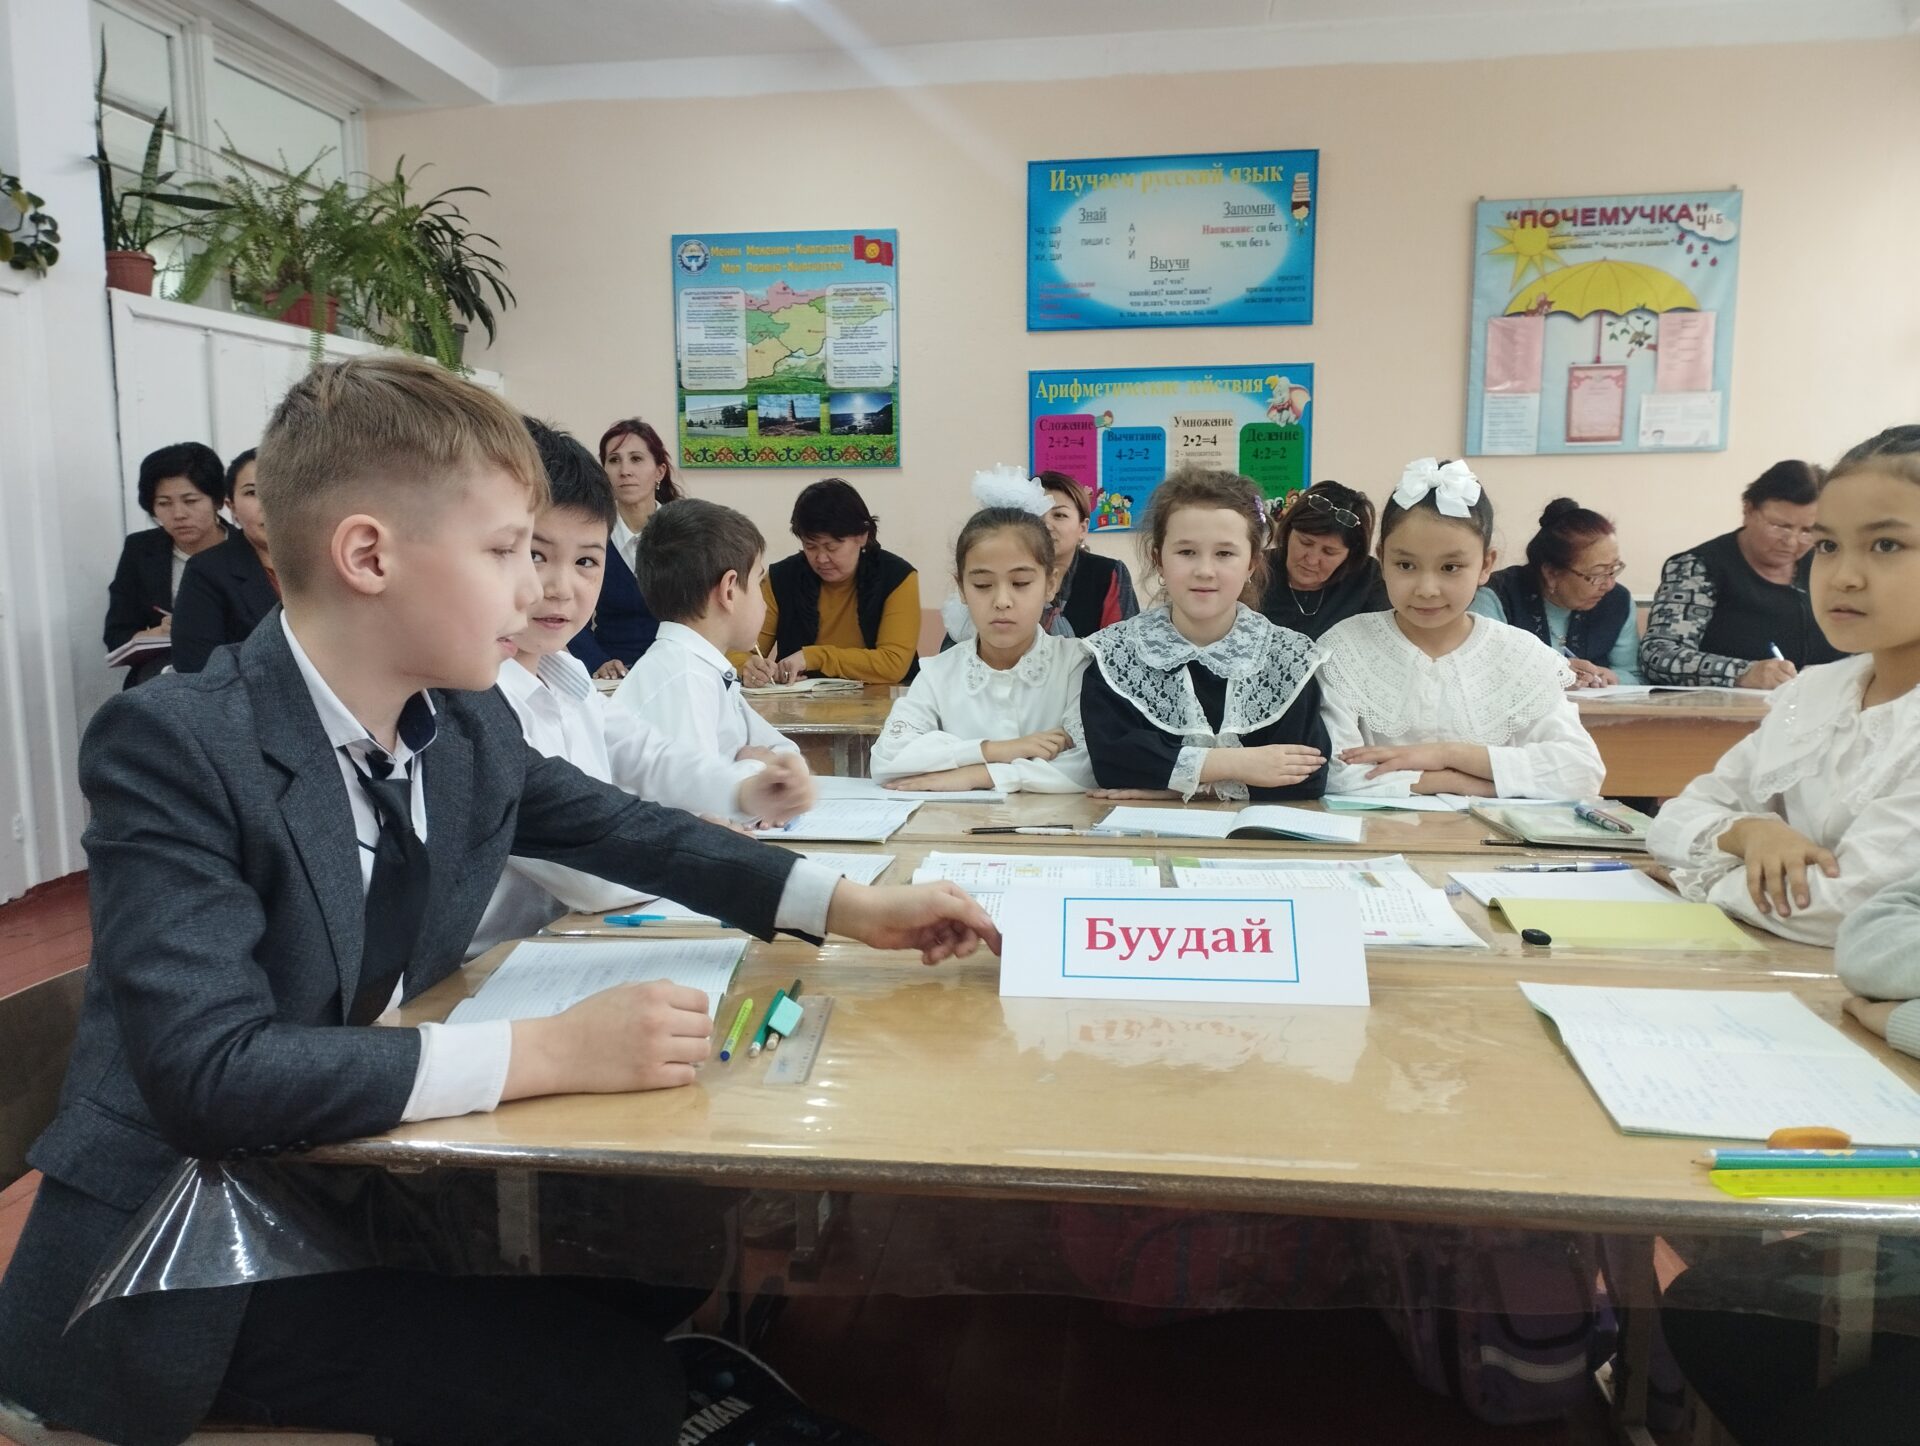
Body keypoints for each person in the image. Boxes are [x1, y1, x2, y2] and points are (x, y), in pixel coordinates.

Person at [0, 353, 997, 1445]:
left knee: (661, 1253)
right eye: (506, 551)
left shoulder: (461, 723)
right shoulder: (179, 743)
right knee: (609, 1387)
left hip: (358, 1175)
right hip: (179, 1259)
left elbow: (628, 829)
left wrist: (849, 907)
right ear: (369, 556)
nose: (536, 592)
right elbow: (211, 1075)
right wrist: (551, 1052)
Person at [468, 422, 815, 958]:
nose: (559, 587)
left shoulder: (565, 674)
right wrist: (710, 844)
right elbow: (589, 874)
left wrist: (741, 792)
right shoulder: (477, 702)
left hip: (559, 945)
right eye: (536, 555)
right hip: (486, 967)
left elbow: (647, 755)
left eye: (586, 561)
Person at [1647, 425, 1920, 945]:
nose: (1843, 576)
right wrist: (1750, 832)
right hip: (1770, 967)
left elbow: (1849, 909)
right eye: (1828, 545)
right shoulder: (1816, 693)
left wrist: (1703, 877)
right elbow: (1673, 821)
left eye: (1886, 545)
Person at [1317, 459, 1606, 799]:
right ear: (1382, 559)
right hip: (1379, 831)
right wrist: (1456, 782)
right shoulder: (1345, 648)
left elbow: (1581, 772)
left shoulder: (1522, 656)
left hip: (1492, 834)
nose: (1427, 589)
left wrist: (1447, 755)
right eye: (1406, 565)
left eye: (1450, 567)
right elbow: (1333, 773)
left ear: (1486, 564)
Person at [1079, 467, 1328, 801]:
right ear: (1158, 559)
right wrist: (1236, 764)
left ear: (1252, 563)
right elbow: (1111, 764)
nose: (1205, 570)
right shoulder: (1116, 655)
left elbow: (1307, 776)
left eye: (1224, 554)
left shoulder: (1289, 657)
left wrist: (1172, 784)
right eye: (1186, 552)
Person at [872, 477, 1093, 793]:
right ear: (961, 588)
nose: (1002, 601)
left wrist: (979, 775)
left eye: (1020, 583)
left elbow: (1087, 765)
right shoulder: (938, 673)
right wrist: (994, 750)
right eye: (982, 585)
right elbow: (887, 760)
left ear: (1051, 583)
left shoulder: (1075, 664)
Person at [613, 496, 804, 767]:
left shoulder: (705, 669)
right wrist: (756, 768)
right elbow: (695, 792)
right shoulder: (683, 678)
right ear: (729, 591)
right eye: (759, 583)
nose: (764, 603)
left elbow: (785, 753)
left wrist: (765, 766)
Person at [1641, 460, 1845, 688]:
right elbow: (1658, 654)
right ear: (1748, 510)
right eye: (1780, 526)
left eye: (1808, 530)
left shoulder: (1830, 563)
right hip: (1728, 706)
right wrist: (1742, 673)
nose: (1791, 541)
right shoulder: (1698, 568)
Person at [739, 478, 921, 686]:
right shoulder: (781, 578)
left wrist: (815, 657)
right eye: (810, 547)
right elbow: (738, 651)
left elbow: (893, 664)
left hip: (882, 701)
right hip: (797, 702)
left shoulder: (897, 577)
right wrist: (749, 667)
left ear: (862, 536)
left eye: (832, 547)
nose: (821, 558)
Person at [1473, 498, 1641, 688]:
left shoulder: (1618, 602)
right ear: (1551, 573)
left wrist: (1612, 677)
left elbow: (1634, 675)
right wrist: (1550, 673)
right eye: (1597, 574)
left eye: (1613, 569)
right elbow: (1480, 673)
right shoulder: (1498, 596)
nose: (1609, 584)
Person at [102, 441, 231, 686]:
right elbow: (116, 636)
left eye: (190, 501)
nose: (178, 514)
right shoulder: (140, 550)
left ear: (217, 501)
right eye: (164, 503)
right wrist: (157, 633)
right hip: (163, 678)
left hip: (234, 675)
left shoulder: (246, 548)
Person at [567, 417, 681, 681]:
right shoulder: (590, 537)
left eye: (636, 459)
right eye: (614, 460)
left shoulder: (686, 534)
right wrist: (598, 661)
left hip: (677, 670)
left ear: (659, 472)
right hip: (613, 675)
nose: (625, 471)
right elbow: (571, 613)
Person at [171, 447, 280, 673]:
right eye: (252, 492)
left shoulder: (334, 562)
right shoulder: (206, 572)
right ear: (232, 508)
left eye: (282, 487)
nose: (269, 502)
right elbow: (197, 672)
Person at [1257, 480, 1391, 640]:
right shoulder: (1257, 569)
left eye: (1329, 552)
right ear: (1288, 532)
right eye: (1305, 542)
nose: (1312, 560)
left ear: (1351, 554)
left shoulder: (1368, 578)